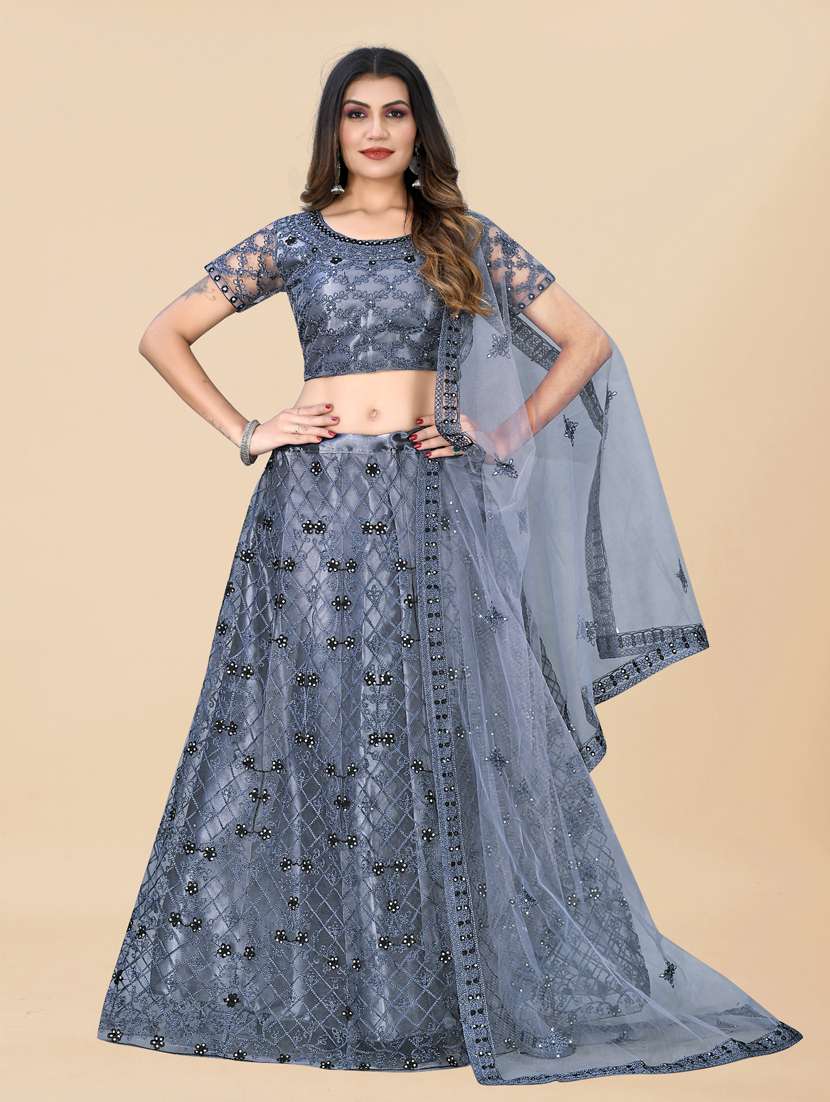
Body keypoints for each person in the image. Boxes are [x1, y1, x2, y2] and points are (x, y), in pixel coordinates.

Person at [96, 46, 802, 1083]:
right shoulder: (293, 240)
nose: (376, 131)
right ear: (334, 132)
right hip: (313, 513)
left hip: (431, 509)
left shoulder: (459, 238)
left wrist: (501, 433)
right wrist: (249, 430)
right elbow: (164, 333)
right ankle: (345, 998)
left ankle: (439, 993)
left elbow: (585, 341)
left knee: (446, 731)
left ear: (419, 129)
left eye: (395, 113)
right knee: (320, 730)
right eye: (356, 114)